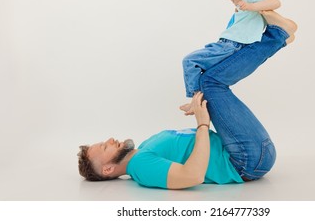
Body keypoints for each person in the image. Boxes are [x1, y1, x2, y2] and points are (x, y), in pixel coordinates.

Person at [77, 10, 297, 189]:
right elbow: (192, 176)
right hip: (245, 159)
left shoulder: (143, 149)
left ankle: (274, 38)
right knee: (210, 83)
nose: (110, 139)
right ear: (107, 170)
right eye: (105, 147)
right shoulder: (141, 167)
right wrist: (202, 124)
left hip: (247, 151)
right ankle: (277, 37)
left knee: (208, 80)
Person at [180, 0, 292, 115]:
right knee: (202, 71)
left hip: (231, 45)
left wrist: (252, 6)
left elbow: (275, 2)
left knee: (190, 61)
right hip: (227, 43)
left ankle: (195, 101)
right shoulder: (244, 3)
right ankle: (197, 101)